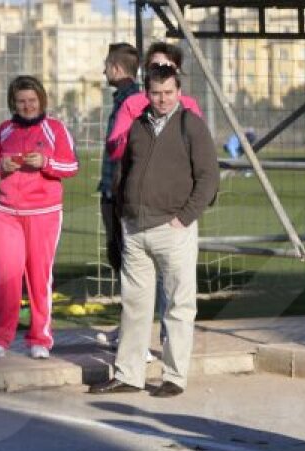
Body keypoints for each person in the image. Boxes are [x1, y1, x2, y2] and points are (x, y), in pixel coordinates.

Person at [88, 64, 218, 398]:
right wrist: (123, 216)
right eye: (156, 93)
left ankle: (174, 377)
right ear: (147, 92)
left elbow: (208, 178)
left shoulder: (192, 125)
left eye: (168, 93)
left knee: (178, 304)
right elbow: (124, 171)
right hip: (135, 227)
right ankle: (128, 375)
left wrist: (184, 218)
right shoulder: (137, 125)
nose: (162, 99)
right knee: (134, 305)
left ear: (179, 92)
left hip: (173, 228)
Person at [0, 75, 79, 361]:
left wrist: (46, 163)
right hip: (7, 213)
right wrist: (0, 165)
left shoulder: (55, 129)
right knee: (6, 277)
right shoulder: (4, 130)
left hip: (44, 214)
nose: (27, 106)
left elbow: (71, 165)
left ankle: (40, 339)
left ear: (41, 100)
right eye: (21, 101)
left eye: (32, 101)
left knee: (39, 278)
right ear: (13, 103)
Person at [99, 43, 142, 276]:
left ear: (115, 68)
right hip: (111, 189)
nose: (103, 72)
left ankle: (137, 305)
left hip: (122, 191)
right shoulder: (121, 100)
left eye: (106, 66)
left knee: (125, 251)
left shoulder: (133, 102)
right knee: (116, 249)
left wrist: (119, 186)